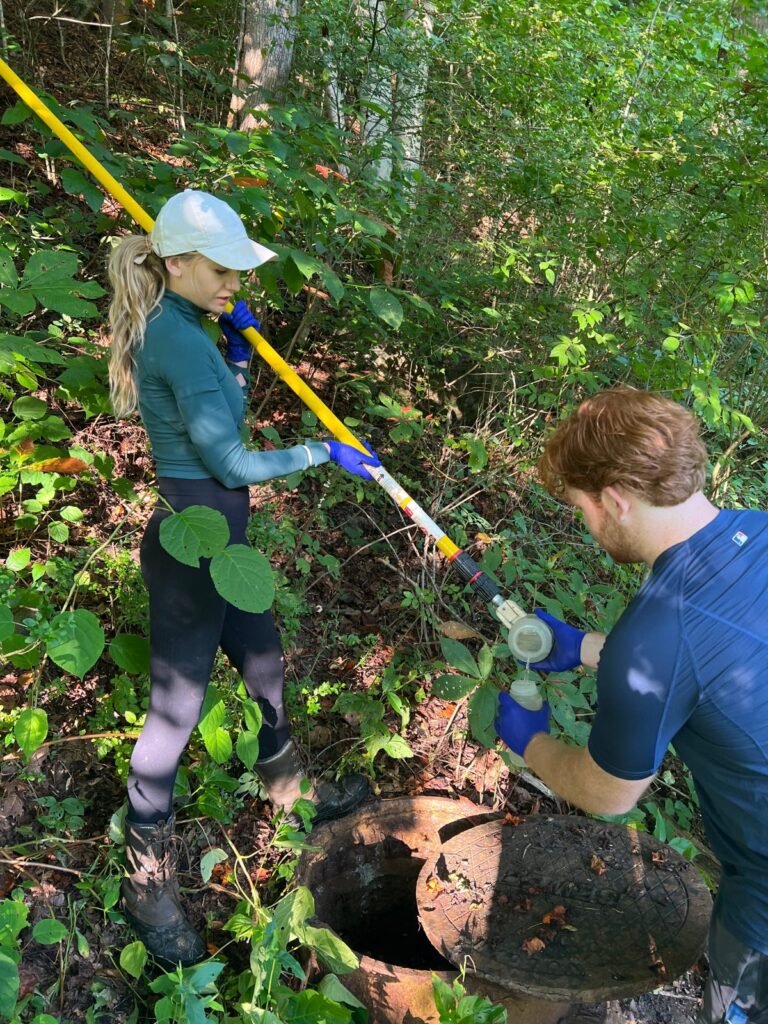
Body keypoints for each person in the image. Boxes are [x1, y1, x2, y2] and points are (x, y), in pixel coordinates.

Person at [108, 189, 380, 967]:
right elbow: (228, 460)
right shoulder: (176, 338)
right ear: (179, 263)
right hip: (195, 542)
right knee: (177, 708)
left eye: (239, 270)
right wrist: (322, 454)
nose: (236, 282)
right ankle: (146, 877)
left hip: (225, 538)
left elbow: (225, 414)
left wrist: (235, 355)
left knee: (261, 656)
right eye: (222, 269)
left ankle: (287, 787)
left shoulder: (193, 325)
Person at [494, 388, 768, 1024]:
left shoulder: (656, 632)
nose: (588, 527)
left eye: (581, 509)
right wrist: (588, 648)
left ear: (614, 498)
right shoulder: (756, 529)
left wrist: (530, 740)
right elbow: (718, 648)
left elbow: (609, 794)